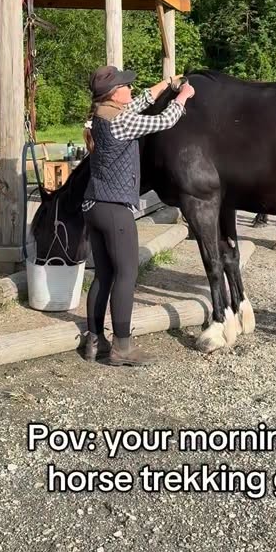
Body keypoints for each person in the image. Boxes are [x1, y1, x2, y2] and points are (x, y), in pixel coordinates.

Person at [82, 65, 195, 367]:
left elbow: (143, 99)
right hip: (114, 209)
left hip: (94, 205)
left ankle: (94, 341)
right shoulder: (122, 121)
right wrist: (183, 96)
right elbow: (164, 120)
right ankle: (122, 348)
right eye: (125, 86)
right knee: (126, 275)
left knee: (104, 275)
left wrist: (167, 83)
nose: (130, 89)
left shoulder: (103, 114)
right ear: (113, 94)